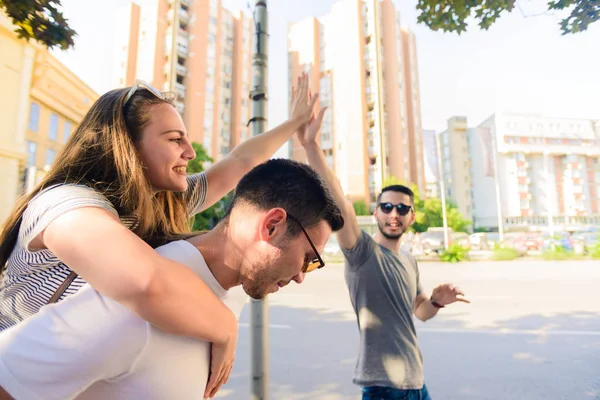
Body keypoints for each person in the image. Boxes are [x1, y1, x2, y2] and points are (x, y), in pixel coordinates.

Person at [0, 73, 318, 393]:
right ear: (128, 146)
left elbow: (241, 160)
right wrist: (224, 327)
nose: (189, 152)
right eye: (173, 139)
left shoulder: (160, 204)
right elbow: (146, 282)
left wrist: (294, 123)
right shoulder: (66, 205)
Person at [0, 158, 344, 400]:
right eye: (309, 259)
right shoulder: (137, 302)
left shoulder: (231, 289)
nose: (301, 276)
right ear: (272, 226)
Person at [298, 104, 470, 400]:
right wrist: (310, 145)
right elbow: (339, 201)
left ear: (412, 217)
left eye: (402, 208)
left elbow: (420, 312)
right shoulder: (362, 251)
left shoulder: (409, 260)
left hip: (417, 383)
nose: (394, 213)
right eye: (387, 207)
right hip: (383, 388)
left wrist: (437, 302)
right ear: (376, 212)